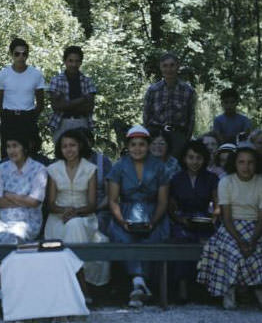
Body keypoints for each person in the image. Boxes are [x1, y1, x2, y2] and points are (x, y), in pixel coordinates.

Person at [196, 146, 262, 311]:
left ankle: (260, 289)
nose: (246, 167)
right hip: (231, 225)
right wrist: (240, 241)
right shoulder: (226, 182)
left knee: (257, 250)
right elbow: (226, 216)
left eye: (250, 163)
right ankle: (228, 289)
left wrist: (252, 241)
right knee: (232, 249)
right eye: (242, 162)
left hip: (255, 226)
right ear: (235, 164)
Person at [106, 125, 170, 308]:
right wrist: (122, 221)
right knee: (125, 236)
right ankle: (139, 282)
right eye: (133, 144)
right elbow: (113, 200)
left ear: (148, 146)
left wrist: (153, 221)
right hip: (125, 213)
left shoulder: (159, 167)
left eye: (142, 144)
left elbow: (163, 201)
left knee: (152, 237)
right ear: (128, 146)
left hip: (152, 213)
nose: (137, 148)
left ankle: (139, 284)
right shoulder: (119, 167)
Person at [45, 129, 110, 290]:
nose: (69, 149)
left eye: (72, 145)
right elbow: (51, 204)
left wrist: (76, 213)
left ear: (80, 146)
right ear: (60, 149)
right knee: (73, 226)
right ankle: (80, 285)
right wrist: (65, 211)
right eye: (64, 146)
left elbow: (92, 204)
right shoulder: (53, 169)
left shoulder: (90, 169)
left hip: (85, 217)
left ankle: (73, 284)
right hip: (57, 219)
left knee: (76, 225)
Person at [0, 135, 48, 258]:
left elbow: (35, 202)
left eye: (15, 146)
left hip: (27, 220)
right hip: (0, 218)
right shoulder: (0, 169)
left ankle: (15, 272)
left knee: (15, 234)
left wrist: (8, 194)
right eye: (8, 147)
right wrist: (24, 200)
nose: (11, 151)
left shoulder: (39, 170)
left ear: (24, 148)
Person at [168, 140, 220, 302]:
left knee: (210, 242)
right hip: (183, 219)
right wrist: (180, 219)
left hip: (204, 219)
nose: (194, 162)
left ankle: (207, 287)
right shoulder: (176, 178)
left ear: (204, 159)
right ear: (184, 159)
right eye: (190, 157)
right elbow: (171, 207)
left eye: (198, 158)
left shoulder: (211, 178)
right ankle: (182, 287)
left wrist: (212, 218)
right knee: (181, 239)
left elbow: (217, 205)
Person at [0, 38, 45, 159]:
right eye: (17, 53)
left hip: (28, 118)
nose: (21, 57)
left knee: (31, 154)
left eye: (24, 53)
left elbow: (40, 101)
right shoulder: (2, 74)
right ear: (11, 54)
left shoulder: (36, 74)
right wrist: (5, 115)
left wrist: (31, 116)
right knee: (8, 155)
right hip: (9, 119)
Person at [142, 53, 196, 158]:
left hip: (178, 135)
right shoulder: (153, 90)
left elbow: (191, 118)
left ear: (178, 66)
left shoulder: (188, 90)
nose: (169, 69)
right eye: (165, 66)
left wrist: (185, 138)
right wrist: (150, 135)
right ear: (161, 68)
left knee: (175, 167)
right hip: (156, 134)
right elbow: (146, 115)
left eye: (172, 65)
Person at [47, 45, 97, 142]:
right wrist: (82, 99)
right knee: (62, 154)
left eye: (77, 61)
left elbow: (89, 107)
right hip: (62, 123)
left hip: (82, 122)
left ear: (81, 62)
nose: (74, 64)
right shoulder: (56, 80)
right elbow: (56, 106)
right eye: (70, 61)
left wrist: (65, 103)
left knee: (83, 154)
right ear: (65, 61)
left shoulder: (87, 81)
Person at [80, 128, 114, 235]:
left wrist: (94, 209)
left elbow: (110, 196)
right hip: (76, 208)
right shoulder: (70, 162)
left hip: (100, 209)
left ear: (91, 142)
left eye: (84, 141)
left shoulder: (103, 161)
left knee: (99, 222)